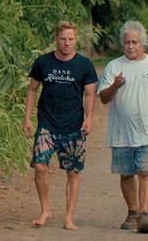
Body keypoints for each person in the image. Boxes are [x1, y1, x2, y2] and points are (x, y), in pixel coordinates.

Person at [98, 20, 148, 233]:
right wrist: (114, 86)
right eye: (127, 42)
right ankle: (132, 212)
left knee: (145, 172)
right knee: (126, 174)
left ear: (143, 44)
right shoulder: (114, 66)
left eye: (135, 42)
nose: (130, 46)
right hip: (121, 132)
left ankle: (144, 214)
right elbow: (103, 98)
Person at [24, 21, 98, 229]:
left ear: (76, 40)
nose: (67, 43)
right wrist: (27, 118)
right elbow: (32, 90)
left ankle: (69, 217)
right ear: (56, 39)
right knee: (40, 166)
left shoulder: (84, 65)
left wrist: (89, 118)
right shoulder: (43, 62)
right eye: (63, 39)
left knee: (72, 172)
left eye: (71, 39)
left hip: (74, 125)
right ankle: (45, 209)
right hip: (47, 123)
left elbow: (90, 95)